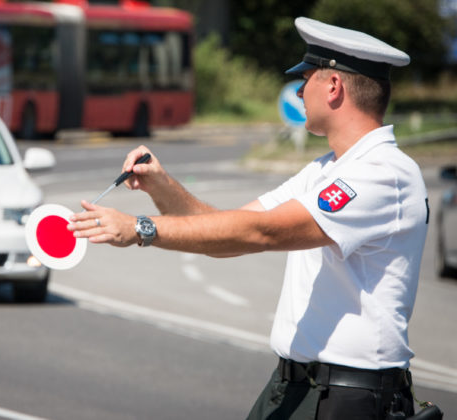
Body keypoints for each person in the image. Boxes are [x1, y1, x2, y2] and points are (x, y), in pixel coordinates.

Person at [68, 17, 432, 419]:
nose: (297, 90)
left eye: (306, 78)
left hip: (347, 398)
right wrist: (161, 186)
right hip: (296, 386)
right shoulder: (328, 169)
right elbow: (229, 227)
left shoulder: (383, 172)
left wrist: (140, 229)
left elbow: (262, 233)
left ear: (334, 87)